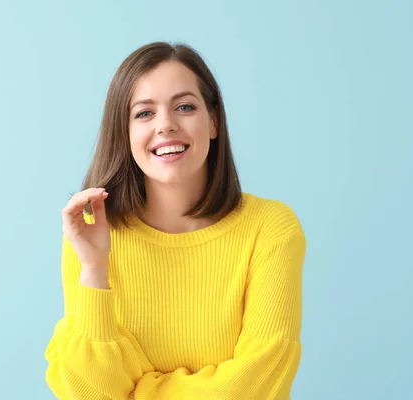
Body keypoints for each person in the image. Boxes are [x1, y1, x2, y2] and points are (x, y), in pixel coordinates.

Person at [44, 41, 307, 400]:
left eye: (184, 107)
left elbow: (256, 385)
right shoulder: (90, 232)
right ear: (124, 131)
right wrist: (93, 269)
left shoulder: (270, 227)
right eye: (144, 113)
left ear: (213, 121)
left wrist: (140, 392)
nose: (166, 125)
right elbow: (86, 390)